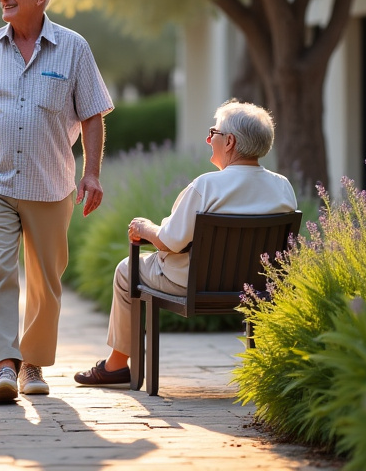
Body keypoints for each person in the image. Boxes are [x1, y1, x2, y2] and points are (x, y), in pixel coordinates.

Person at [0, 0, 114, 403]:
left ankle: (33, 364)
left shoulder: (74, 47)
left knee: (46, 276)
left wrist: (92, 173)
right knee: (0, 269)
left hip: (50, 182)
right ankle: (5, 365)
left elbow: (94, 114)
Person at [73, 99, 298, 386]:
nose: (207, 139)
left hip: (195, 282)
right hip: (258, 284)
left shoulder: (206, 186)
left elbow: (170, 242)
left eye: (213, 133)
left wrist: (145, 227)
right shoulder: (283, 186)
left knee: (126, 269)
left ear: (229, 142)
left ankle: (117, 365)